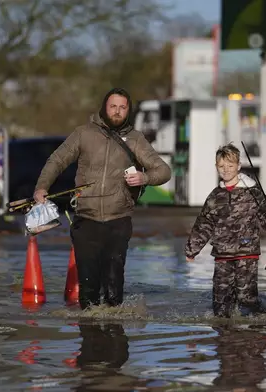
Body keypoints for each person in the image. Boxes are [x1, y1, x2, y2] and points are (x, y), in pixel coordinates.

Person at [33, 87, 172, 310]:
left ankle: (114, 339)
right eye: (113, 106)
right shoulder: (83, 133)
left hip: (118, 219)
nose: (117, 111)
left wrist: (144, 177)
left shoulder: (136, 139)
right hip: (86, 219)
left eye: (122, 108)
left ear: (128, 111)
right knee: (88, 288)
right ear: (104, 108)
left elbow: (164, 171)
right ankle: (91, 338)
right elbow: (57, 160)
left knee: (113, 288)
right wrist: (41, 187)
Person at [184, 143, 266, 318]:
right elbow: (204, 224)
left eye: (230, 166)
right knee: (220, 303)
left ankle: (264, 321)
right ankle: (225, 337)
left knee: (246, 298)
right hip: (222, 254)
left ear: (238, 166)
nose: (226, 170)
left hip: (247, 252)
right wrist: (192, 249)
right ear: (216, 167)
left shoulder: (252, 192)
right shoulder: (215, 196)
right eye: (221, 166)